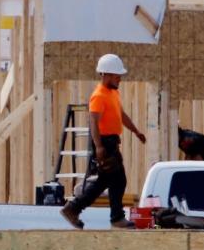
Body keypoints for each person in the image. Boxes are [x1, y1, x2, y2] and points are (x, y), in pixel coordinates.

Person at [61, 53, 146, 229]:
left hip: (111, 142)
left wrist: (136, 131)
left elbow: (121, 115)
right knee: (118, 180)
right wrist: (99, 146)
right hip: (104, 143)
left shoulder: (113, 93)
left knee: (105, 181)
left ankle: (73, 208)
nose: (119, 79)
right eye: (117, 76)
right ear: (105, 75)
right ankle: (115, 217)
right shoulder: (98, 95)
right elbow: (93, 121)